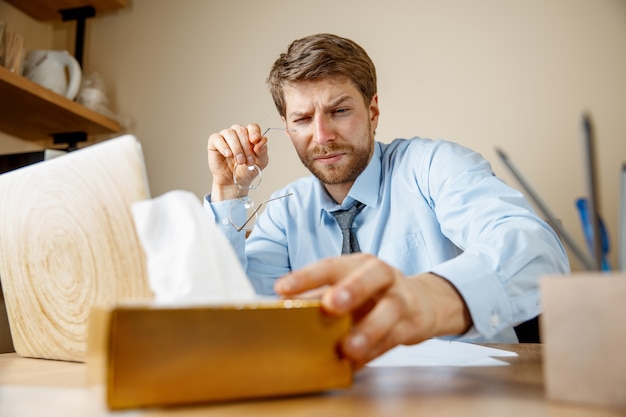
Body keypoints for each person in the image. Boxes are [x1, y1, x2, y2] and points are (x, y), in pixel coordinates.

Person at [205, 33, 570, 369]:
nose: (322, 136)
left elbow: (536, 250)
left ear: (373, 111)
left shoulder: (433, 167)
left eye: (339, 111)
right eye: (302, 118)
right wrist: (227, 191)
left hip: (466, 392)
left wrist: (429, 296)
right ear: (288, 129)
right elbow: (231, 316)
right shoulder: (285, 210)